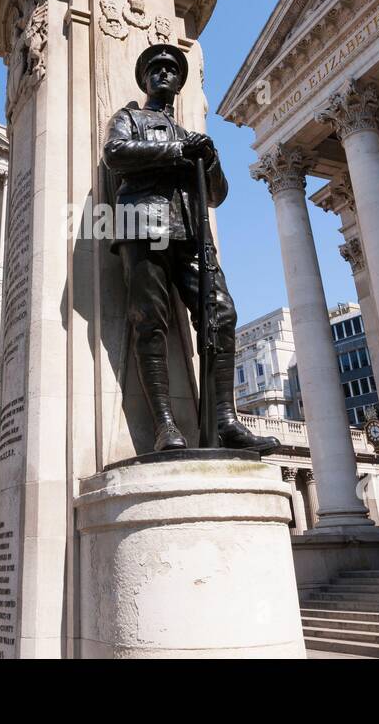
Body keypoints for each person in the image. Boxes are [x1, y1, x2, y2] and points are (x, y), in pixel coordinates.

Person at [103, 43, 280, 454]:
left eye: (171, 70)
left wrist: (210, 158)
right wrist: (178, 151)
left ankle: (224, 420)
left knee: (221, 313)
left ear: (181, 83)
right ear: (145, 78)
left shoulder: (192, 135)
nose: (165, 74)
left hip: (192, 233)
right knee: (149, 319)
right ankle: (165, 424)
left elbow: (216, 194)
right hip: (143, 223)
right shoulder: (129, 118)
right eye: (157, 68)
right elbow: (116, 154)